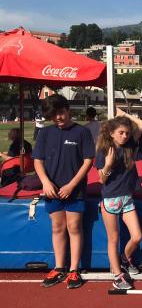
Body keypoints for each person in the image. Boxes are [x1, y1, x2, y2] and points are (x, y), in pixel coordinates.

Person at [33, 95, 95, 289]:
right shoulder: (45, 133)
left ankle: (74, 269)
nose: (58, 117)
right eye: (53, 115)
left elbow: (88, 161)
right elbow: (38, 160)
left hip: (75, 190)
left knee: (74, 227)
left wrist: (71, 185)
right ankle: (59, 267)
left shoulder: (82, 132)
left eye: (60, 112)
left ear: (68, 110)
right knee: (57, 227)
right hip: (52, 190)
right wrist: (45, 182)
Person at [96, 108, 142, 290]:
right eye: (121, 132)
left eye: (127, 133)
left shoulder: (129, 146)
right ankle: (117, 276)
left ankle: (124, 258)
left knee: (137, 236)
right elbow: (101, 179)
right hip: (110, 200)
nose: (125, 136)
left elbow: (141, 124)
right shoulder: (104, 151)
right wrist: (108, 165)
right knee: (114, 239)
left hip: (127, 199)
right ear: (111, 133)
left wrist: (122, 113)